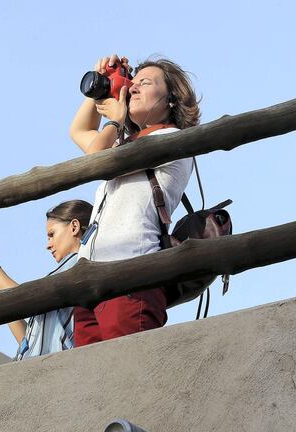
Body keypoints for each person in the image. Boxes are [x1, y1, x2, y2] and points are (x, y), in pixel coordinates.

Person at [69, 55, 201, 346]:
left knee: (125, 381)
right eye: (133, 82)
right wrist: (100, 83)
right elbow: (78, 132)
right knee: (88, 384)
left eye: (146, 83)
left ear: (170, 100)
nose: (134, 88)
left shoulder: (172, 140)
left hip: (131, 273)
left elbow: (97, 160)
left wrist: (115, 119)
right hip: (90, 279)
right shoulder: (124, 144)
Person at [0, 200, 93, 360]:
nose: (48, 245)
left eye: (52, 234)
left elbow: (22, 297)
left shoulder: (77, 265)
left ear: (74, 227)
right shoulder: (66, 274)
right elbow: (29, 342)